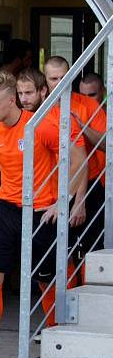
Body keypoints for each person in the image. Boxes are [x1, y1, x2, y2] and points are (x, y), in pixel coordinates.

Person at [0, 70, 86, 358]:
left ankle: (59, 335)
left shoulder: (39, 126)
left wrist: (64, 199)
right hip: (6, 210)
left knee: (46, 278)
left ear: (12, 100)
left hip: (42, 210)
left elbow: (78, 159)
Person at [43, 57, 107, 271]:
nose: (59, 82)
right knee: (57, 252)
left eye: (64, 77)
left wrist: (84, 127)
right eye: (54, 78)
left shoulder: (87, 104)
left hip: (89, 185)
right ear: (46, 80)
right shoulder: (42, 108)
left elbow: (107, 145)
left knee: (89, 250)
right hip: (53, 188)